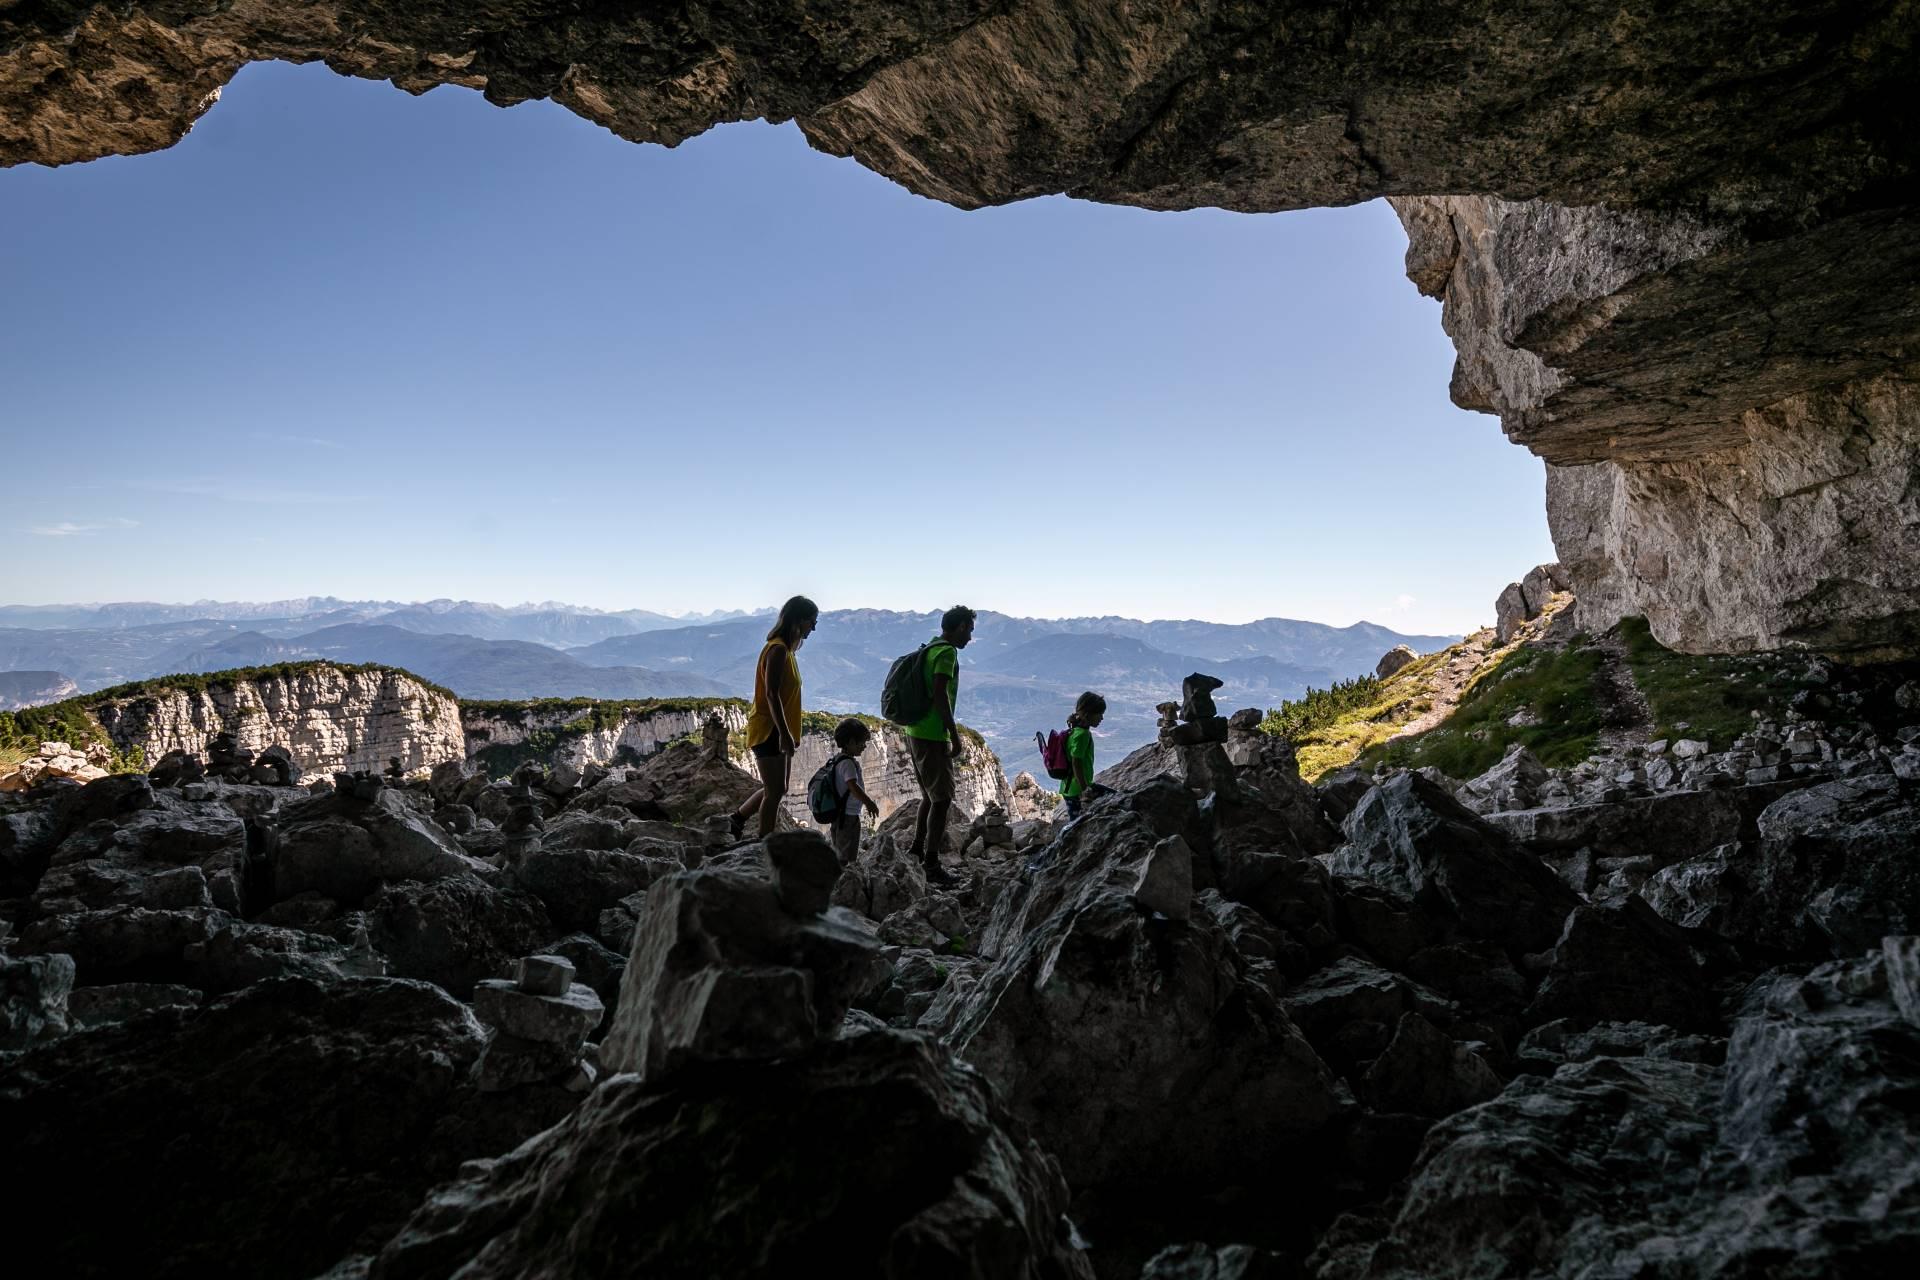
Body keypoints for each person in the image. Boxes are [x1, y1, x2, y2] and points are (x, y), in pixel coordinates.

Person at [730, 595, 818, 839]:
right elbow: (771, 694)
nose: (814, 627)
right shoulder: (778, 649)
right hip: (771, 731)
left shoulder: (787, 651)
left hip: (779, 731)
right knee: (774, 791)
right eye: (812, 621)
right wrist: (785, 734)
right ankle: (764, 842)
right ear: (799, 620)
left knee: (779, 788)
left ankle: (736, 820)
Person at [902, 605, 975, 885]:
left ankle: (917, 850)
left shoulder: (930, 647)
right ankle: (931, 864)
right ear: (958, 627)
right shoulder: (946, 653)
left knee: (930, 797)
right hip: (932, 735)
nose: (970, 637)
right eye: (968, 630)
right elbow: (939, 694)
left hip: (915, 730)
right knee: (942, 800)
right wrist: (953, 734)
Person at [827, 717, 879, 866]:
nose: (864, 747)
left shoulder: (839, 759)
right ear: (850, 742)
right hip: (846, 815)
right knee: (845, 852)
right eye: (862, 743)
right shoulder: (847, 764)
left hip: (844, 814)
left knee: (846, 848)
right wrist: (869, 803)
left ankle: (847, 874)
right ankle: (843, 878)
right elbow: (852, 786)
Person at [1061, 691, 1106, 819]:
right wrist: (1084, 789)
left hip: (1070, 787)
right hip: (1077, 789)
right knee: (1076, 824)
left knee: (1076, 821)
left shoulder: (1074, 730)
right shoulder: (1082, 735)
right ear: (1088, 714)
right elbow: (1076, 762)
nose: (1101, 718)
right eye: (1099, 714)